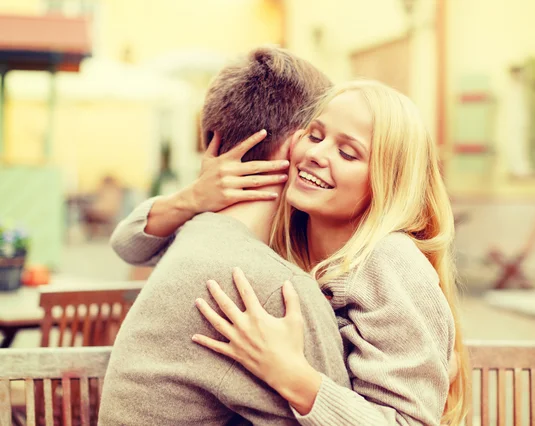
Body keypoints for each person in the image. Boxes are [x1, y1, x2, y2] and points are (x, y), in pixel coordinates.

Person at [110, 80, 469, 425]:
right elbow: (130, 243)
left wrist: (294, 378)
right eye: (314, 135)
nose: (316, 154)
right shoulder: (287, 237)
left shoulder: (389, 262)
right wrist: (194, 197)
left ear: (387, 182)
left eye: (347, 152)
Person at [98, 46, 352, 426]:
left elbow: (128, 243)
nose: (323, 153)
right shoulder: (275, 287)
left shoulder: (197, 233)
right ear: (295, 147)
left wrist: (192, 199)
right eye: (318, 137)